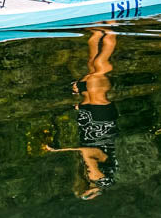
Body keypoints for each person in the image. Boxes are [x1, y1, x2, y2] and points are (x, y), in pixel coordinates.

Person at [43, 28, 120, 200]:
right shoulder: (100, 178)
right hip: (101, 124)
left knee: (93, 67)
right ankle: (111, 28)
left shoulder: (90, 175)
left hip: (92, 123)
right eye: (89, 194)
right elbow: (89, 151)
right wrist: (61, 150)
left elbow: (89, 149)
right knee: (99, 69)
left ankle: (96, 32)